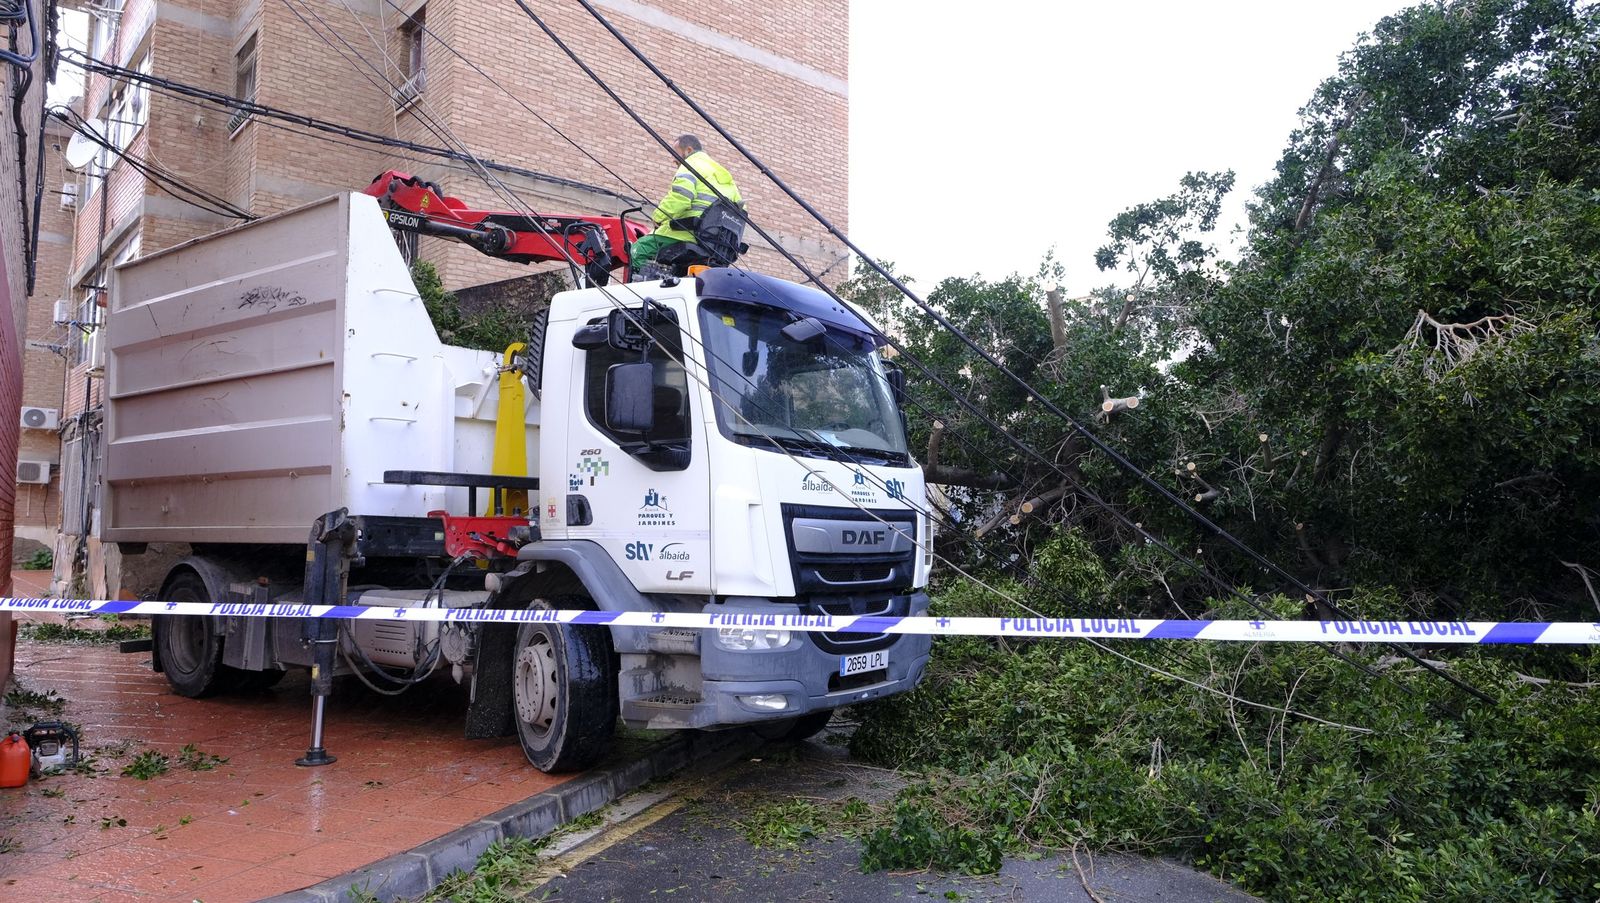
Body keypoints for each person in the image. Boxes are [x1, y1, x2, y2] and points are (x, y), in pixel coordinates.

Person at [631, 135, 742, 279]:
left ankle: (644, 290)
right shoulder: (723, 175)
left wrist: (658, 216)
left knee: (639, 250)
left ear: (688, 150)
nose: (674, 159)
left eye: (676, 153)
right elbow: (740, 210)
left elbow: (681, 198)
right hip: (715, 244)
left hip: (687, 233)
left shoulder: (690, 166)